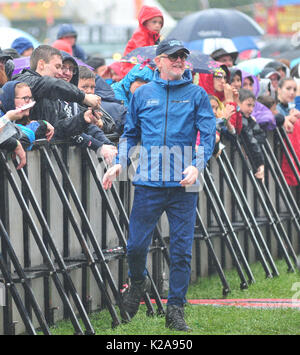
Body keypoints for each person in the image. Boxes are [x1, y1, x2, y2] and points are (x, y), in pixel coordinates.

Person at [102, 39, 216, 331]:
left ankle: (175, 309)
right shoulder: (143, 94)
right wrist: (120, 162)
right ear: (159, 60)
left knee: (181, 250)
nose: (180, 61)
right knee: (136, 246)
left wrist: (197, 164)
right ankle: (137, 282)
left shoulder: (197, 94)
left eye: (183, 57)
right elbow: (130, 134)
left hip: (183, 184)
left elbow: (208, 134)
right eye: (174, 56)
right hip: (148, 183)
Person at [13, 45, 102, 141]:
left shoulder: (52, 93)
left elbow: (60, 128)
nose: (61, 73)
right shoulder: (22, 81)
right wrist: (84, 97)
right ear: (41, 64)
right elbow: (48, 84)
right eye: (58, 67)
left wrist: (83, 118)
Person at [59, 55, 117, 163]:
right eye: (85, 87)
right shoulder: (58, 98)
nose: (89, 91)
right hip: (57, 160)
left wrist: (108, 144)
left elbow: (93, 127)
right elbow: (66, 128)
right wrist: (99, 146)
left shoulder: (76, 101)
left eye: (71, 69)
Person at [121, 5, 164, 77]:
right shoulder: (140, 35)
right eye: (154, 22)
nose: (157, 25)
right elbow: (144, 54)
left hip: (143, 69)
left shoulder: (155, 37)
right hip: (132, 71)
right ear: (145, 22)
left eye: (160, 23)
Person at [276, 77, 300, 186]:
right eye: (288, 88)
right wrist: (288, 118)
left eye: (294, 89)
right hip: (280, 160)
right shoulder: (276, 108)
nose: (292, 92)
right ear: (279, 89)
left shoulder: (291, 108)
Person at [238, 88, 266, 181]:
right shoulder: (241, 119)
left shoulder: (249, 119)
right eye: (248, 105)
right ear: (238, 103)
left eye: (253, 106)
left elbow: (261, 135)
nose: (251, 109)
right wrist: (260, 163)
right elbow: (251, 140)